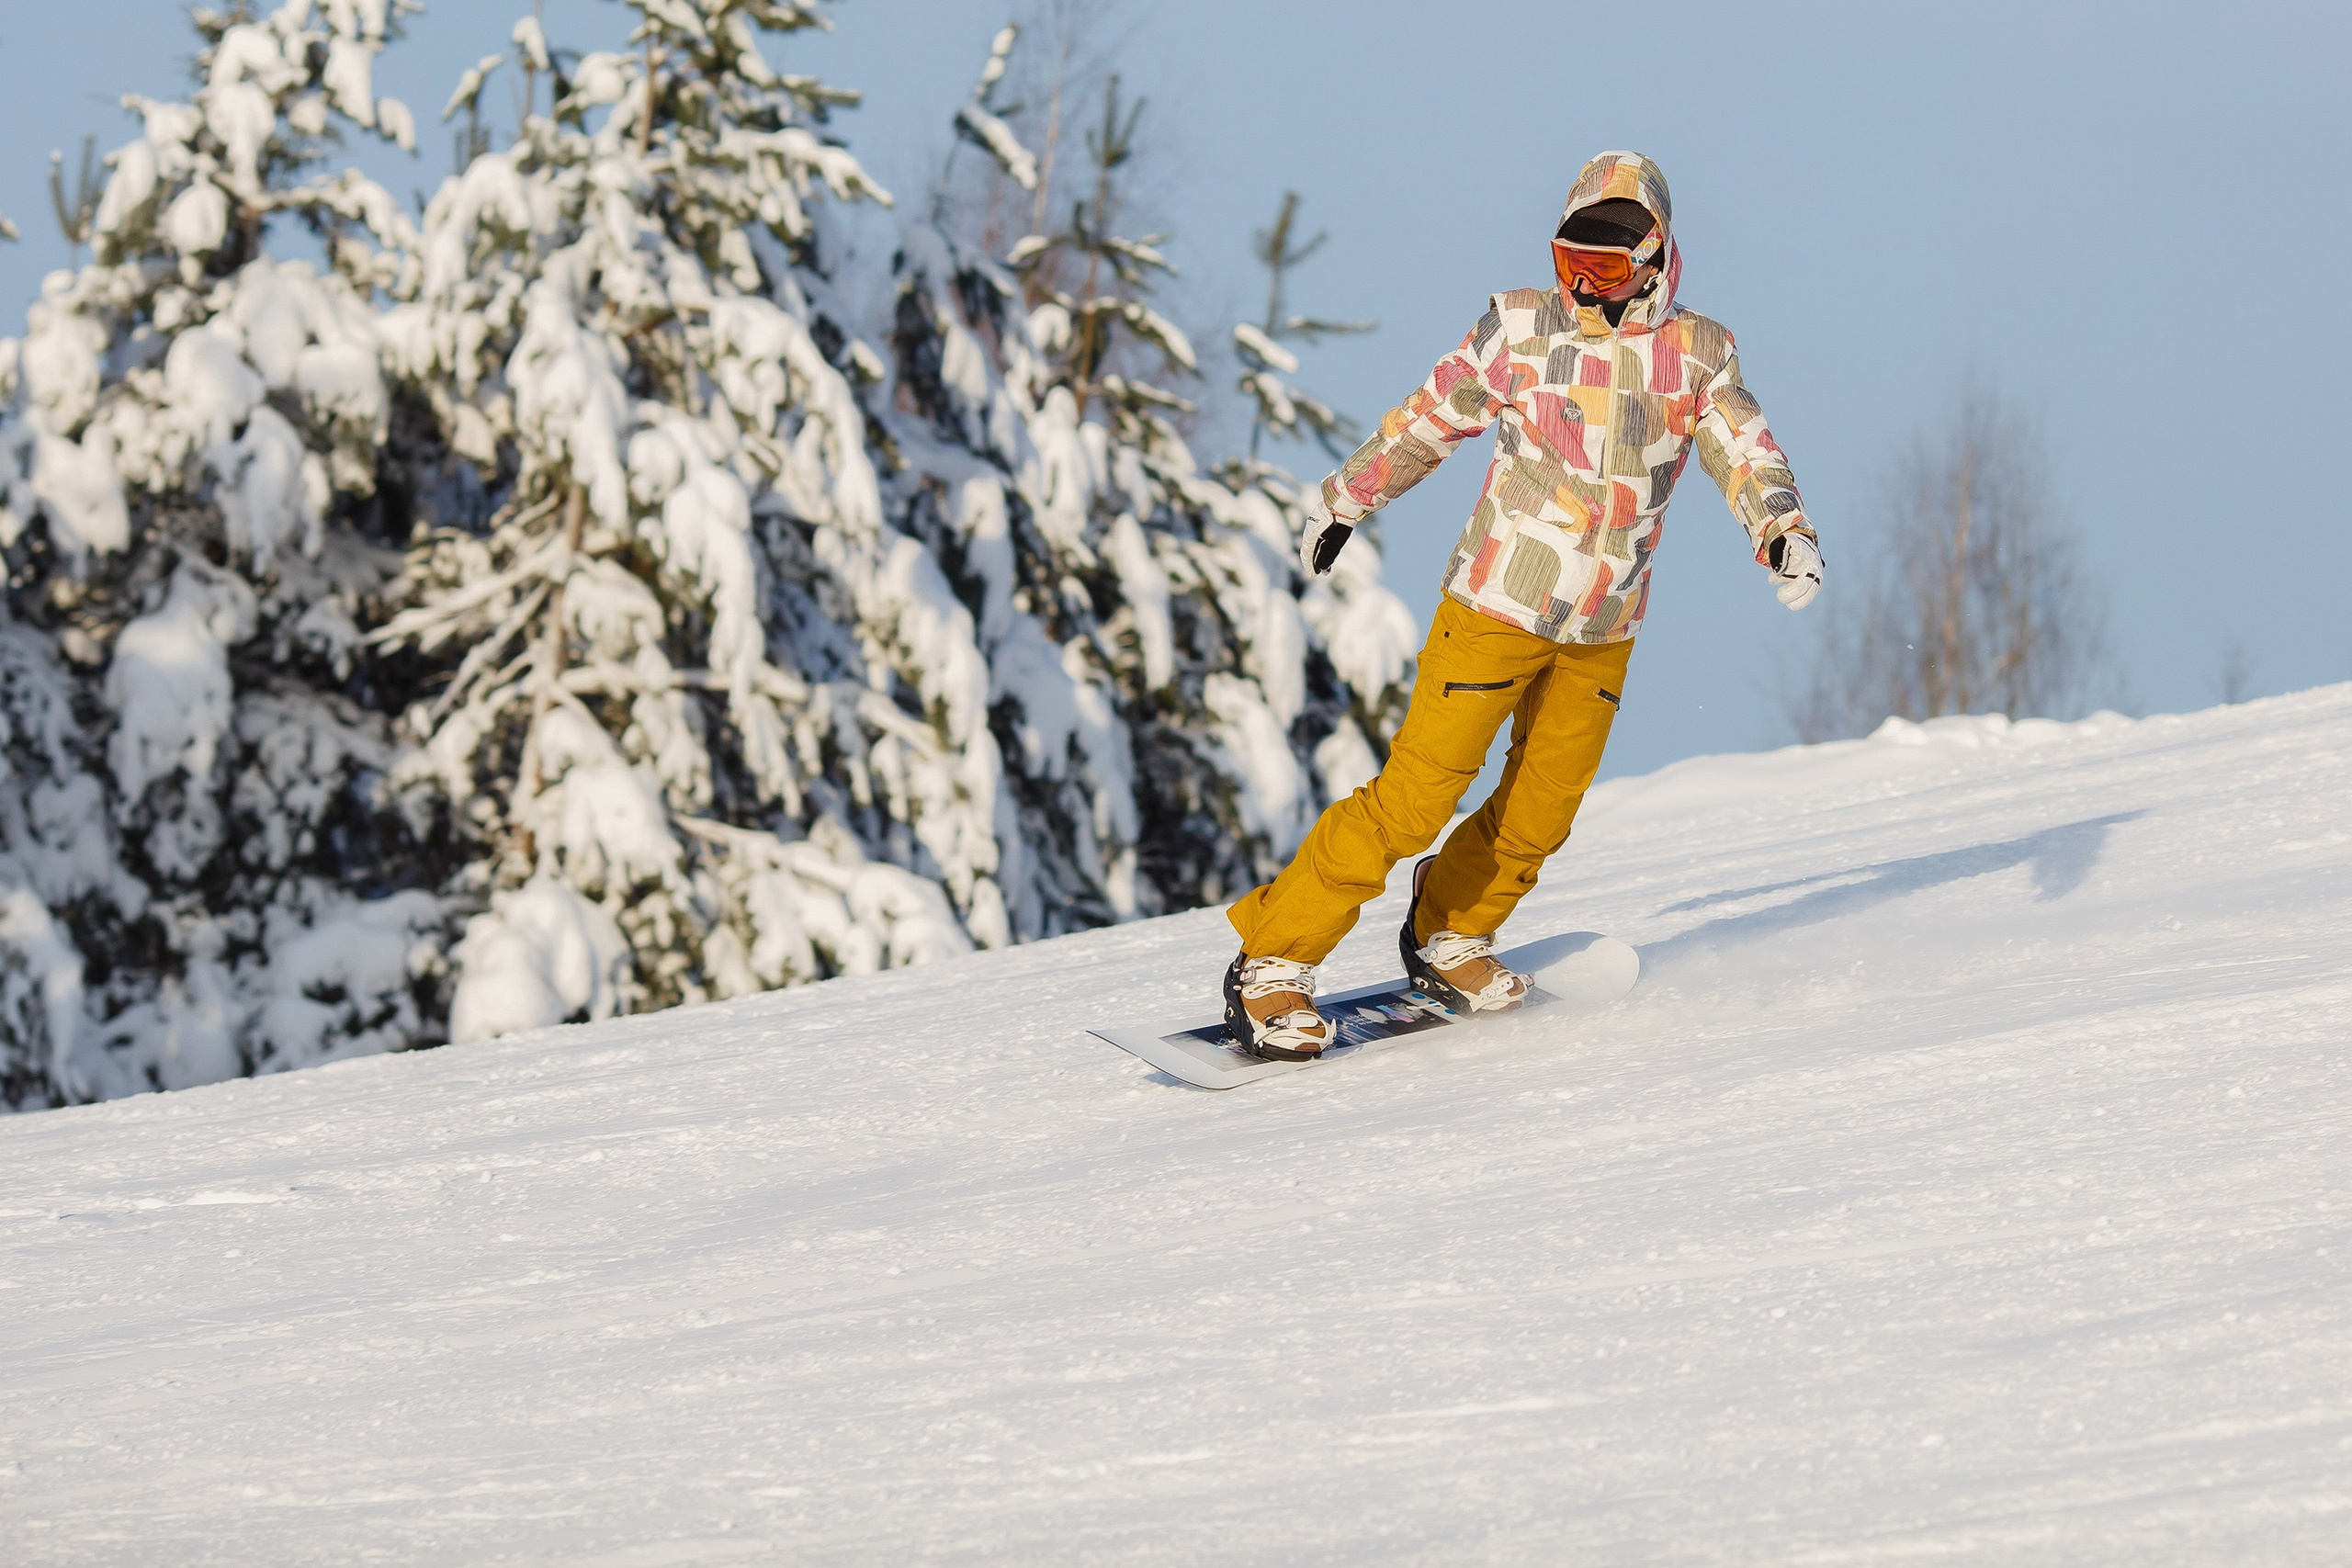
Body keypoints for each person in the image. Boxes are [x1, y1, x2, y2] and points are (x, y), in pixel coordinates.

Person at [1222, 150, 1824, 1059]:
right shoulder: (1519, 331)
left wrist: (1782, 531)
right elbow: (1431, 417)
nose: (1585, 284)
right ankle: (1273, 958)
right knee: (1413, 802)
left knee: (1542, 812)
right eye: (1570, 261)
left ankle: (1448, 930)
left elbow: (1743, 450)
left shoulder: (1697, 353)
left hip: (1601, 626)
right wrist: (1347, 498)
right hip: (1496, 604)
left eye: (1608, 267)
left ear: (1657, 258)